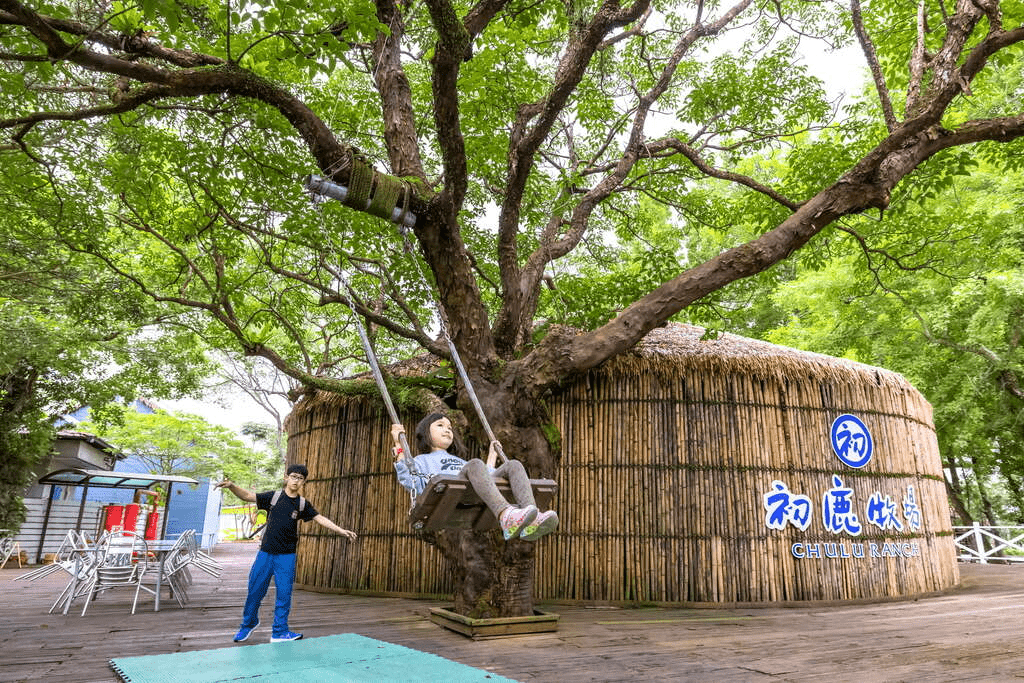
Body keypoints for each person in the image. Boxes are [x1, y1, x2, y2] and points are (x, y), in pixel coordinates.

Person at [217, 464, 357, 643]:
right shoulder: (273, 497)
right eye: (293, 476)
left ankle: (280, 631)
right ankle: (248, 624)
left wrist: (341, 530)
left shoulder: (302, 504)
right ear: (286, 477)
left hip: (287, 556)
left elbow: (320, 518)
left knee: (284, 595)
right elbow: (247, 496)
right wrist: (231, 486)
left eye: (300, 478)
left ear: (304, 482)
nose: (296, 481)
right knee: (254, 591)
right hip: (265, 554)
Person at [392, 413, 558, 541]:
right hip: (450, 497)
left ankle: (532, 518)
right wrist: (399, 445)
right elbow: (409, 478)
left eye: (450, 427)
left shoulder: (461, 462)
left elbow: (487, 477)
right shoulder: (421, 460)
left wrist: (492, 456)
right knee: (475, 464)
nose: (447, 430)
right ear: (425, 433)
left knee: (513, 465)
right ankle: (505, 515)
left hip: (476, 493)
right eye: (440, 425)